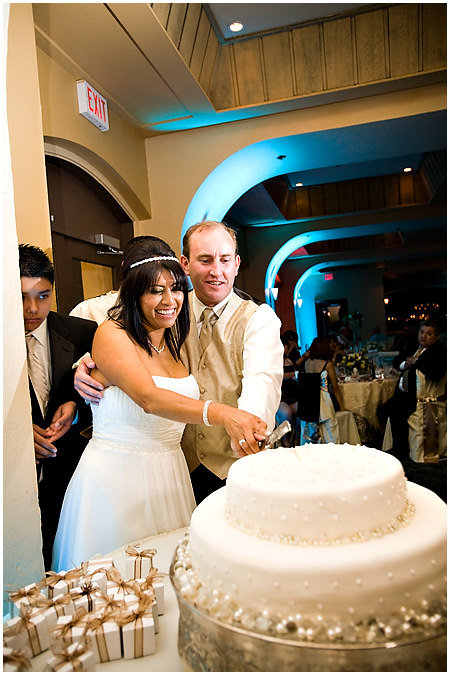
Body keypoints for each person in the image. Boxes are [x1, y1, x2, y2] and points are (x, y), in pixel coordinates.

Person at [52, 237, 268, 570]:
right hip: (117, 480)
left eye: (176, 288)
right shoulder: (112, 333)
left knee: (173, 578)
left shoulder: (173, 338)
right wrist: (223, 414)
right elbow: (149, 398)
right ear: (133, 293)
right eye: (155, 290)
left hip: (171, 474)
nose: (170, 300)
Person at [72, 224, 283, 504]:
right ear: (185, 264)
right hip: (177, 466)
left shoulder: (259, 318)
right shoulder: (166, 310)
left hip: (231, 468)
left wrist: (245, 429)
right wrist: (85, 366)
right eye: (205, 260)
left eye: (225, 260)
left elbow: (262, 382)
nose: (216, 271)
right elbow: (119, 326)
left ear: (236, 263)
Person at [19, 244, 97, 569]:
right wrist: (15, 438)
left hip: (71, 479)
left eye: (42, 295)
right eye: (21, 296)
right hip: (14, 485)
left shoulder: (83, 333)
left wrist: (76, 408)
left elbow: (104, 400)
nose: (32, 308)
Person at [381, 320, 446, 461]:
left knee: (393, 411)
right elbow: (397, 360)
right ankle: (396, 449)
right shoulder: (414, 347)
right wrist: (405, 364)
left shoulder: (439, 352)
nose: (424, 336)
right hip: (404, 395)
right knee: (383, 409)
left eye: (429, 334)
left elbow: (436, 373)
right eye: (422, 332)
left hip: (419, 398)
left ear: (436, 337)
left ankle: (400, 451)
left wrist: (416, 362)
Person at [298, 336, 345, 444]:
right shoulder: (327, 364)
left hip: (308, 402)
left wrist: (304, 356)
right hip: (323, 401)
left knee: (312, 434)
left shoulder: (306, 363)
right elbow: (335, 387)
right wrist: (341, 406)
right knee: (330, 433)